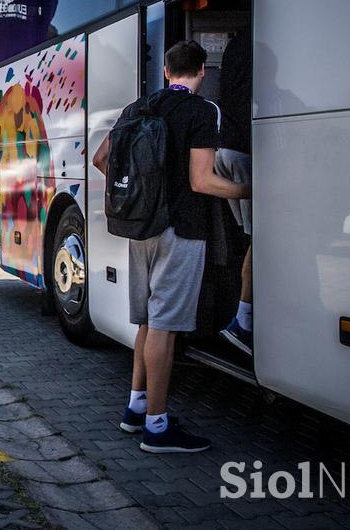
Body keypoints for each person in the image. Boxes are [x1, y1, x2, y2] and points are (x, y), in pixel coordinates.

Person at [92, 40, 250, 454]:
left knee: (147, 320)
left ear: (166, 71)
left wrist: (145, 192)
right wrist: (249, 190)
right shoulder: (201, 111)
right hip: (181, 229)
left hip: (141, 226)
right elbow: (202, 182)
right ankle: (158, 428)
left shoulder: (139, 106)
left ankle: (136, 408)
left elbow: (101, 158)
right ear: (201, 70)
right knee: (164, 325)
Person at [213, 32, 254, 356]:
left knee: (246, 237)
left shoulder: (233, 49)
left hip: (224, 149)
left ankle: (239, 306)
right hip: (243, 152)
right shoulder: (260, 43)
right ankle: (243, 320)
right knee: (259, 239)